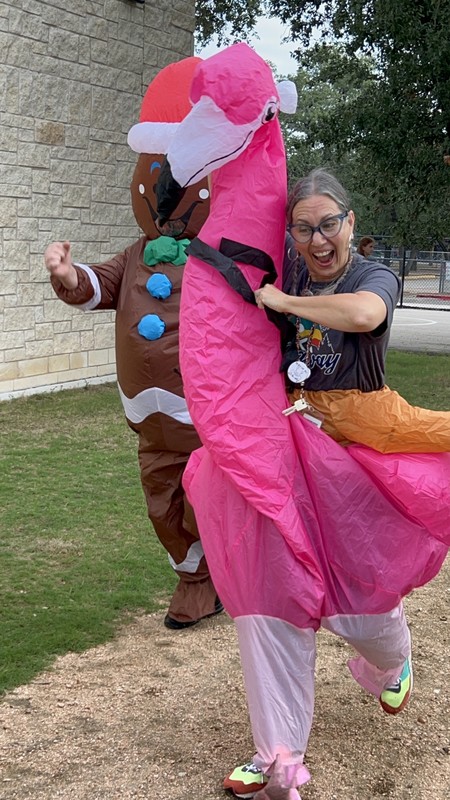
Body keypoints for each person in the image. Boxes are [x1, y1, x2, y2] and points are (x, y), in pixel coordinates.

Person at [153, 45, 449, 800]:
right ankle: (278, 749)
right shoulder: (280, 263)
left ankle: (389, 660)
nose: (316, 241)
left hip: (358, 448)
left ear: (351, 225)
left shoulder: (365, 275)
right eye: (304, 229)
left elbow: (364, 316)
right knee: (268, 582)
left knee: (364, 597)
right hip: (293, 438)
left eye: (328, 227)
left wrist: (285, 304)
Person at [44, 57, 223, 631]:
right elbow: (97, 286)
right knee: (161, 504)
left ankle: (230, 574)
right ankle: (194, 578)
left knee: (211, 497)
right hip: (148, 419)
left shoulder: (222, 258)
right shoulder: (132, 256)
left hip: (207, 418)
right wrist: (70, 278)